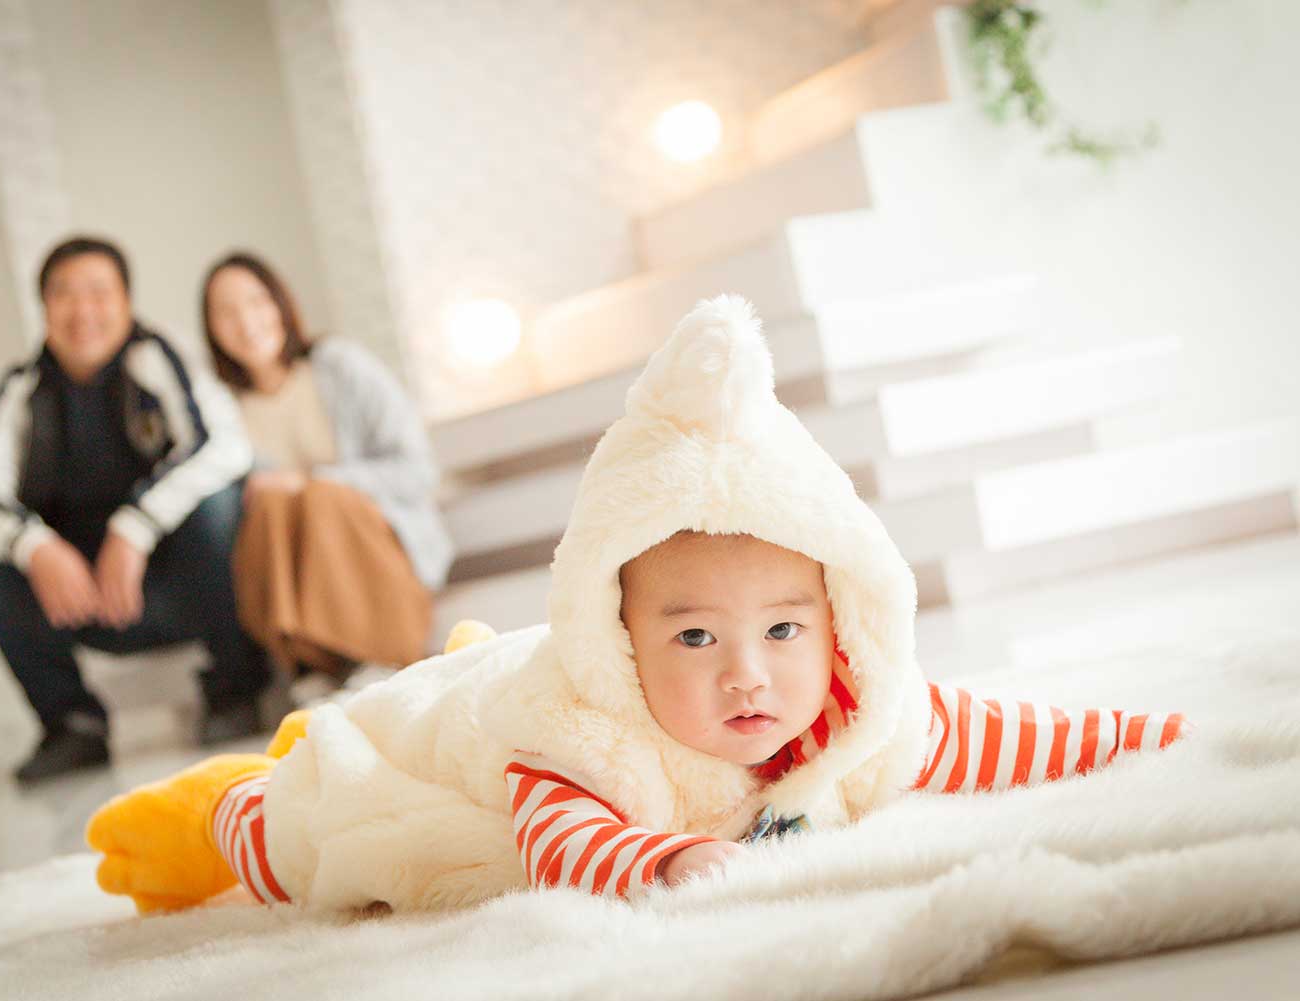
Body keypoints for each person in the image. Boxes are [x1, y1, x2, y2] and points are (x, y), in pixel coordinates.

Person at [84, 296, 1187, 912]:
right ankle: (218, 798)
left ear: (837, 617)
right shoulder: (585, 733)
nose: (747, 673)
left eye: (783, 629)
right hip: (457, 729)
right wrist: (654, 858)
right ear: (617, 636)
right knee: (317, 820)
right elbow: (555, 832)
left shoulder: (852, 704)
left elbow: (990, 731)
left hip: (504, 663)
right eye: (694, 634)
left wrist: (1136, 737)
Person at [0, 236, 268, 784]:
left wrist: (135, 528)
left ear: (126, 301)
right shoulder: (20, 389)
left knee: (217, 506)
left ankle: (234, 691)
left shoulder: (160, 357)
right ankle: (73, 725)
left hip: (183, 582)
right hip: (85, 598)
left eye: (99, 292)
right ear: (45, 307)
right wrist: (37, 547)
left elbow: (225, 446)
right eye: (65, 294)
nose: (83, 310)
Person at [199, 252, 452, 700]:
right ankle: (311, 660)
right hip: (294, 571)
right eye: (226, 312)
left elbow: (417, 471)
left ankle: (373, 650)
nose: (246, 322)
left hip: (380, 558)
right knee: (268, 502)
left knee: (320, 495)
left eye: (256, 302)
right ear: (212, 329)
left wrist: (312, 479)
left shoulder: (339, 366)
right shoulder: (221, 409)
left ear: (280, 304)